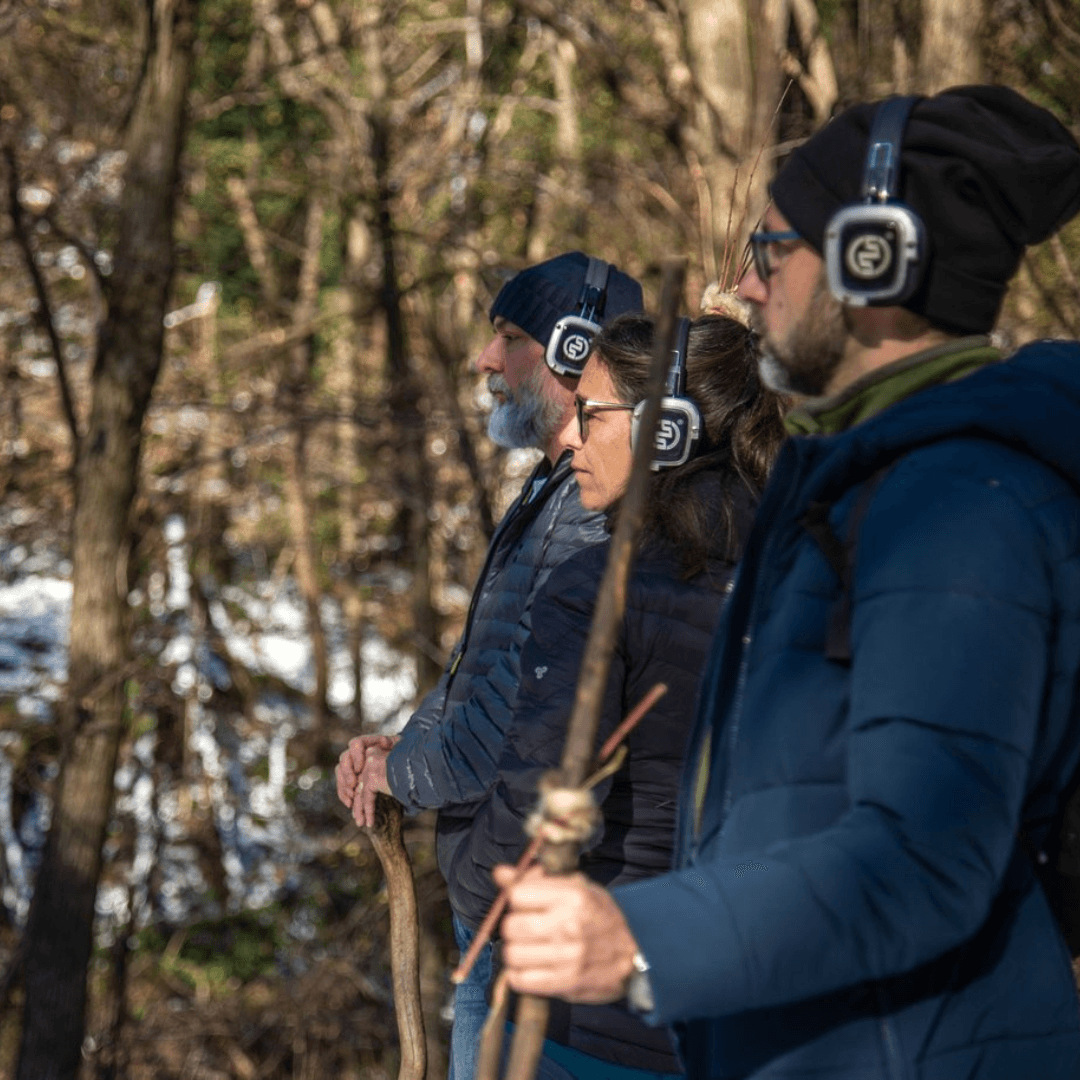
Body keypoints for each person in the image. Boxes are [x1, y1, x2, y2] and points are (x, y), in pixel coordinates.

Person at [493, 85, 1080, 1079]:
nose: (748, 286)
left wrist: (638, 941)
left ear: (874, 258)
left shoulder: (956, 510)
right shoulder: (855, 491)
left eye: (771, 252)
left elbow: (923, 857)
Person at [451, 312, 784, 1078]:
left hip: (596, 1023)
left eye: (592, 416)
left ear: (667, 432)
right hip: (755, 1006)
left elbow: (536, 804)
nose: (568, 440)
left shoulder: (602, 590)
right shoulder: (814, 565)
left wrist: (469, 881)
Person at [335, 251, 644, 1080]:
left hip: (530, 920)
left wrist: (402, 771)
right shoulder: (550, 493)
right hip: (495, 905)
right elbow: (482, 665)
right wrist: (399, 746)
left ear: (576, 353)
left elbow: (508, 729)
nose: (485, 360)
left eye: (510, 337)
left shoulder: (591, 513)